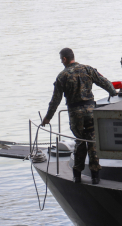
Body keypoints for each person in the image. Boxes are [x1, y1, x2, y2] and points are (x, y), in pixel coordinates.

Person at [42, 48, 117, 184]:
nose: (61, 61)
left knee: (80, 141)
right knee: (92, 141)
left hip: (76, 113)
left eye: (61, 59)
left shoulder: (62, 76)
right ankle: (95, 175)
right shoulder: (88, 69)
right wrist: (114, 94)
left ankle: (77, 174)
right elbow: (105, 82)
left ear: (64, 59)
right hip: (90, 110)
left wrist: (48, 118)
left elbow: (55, 100)